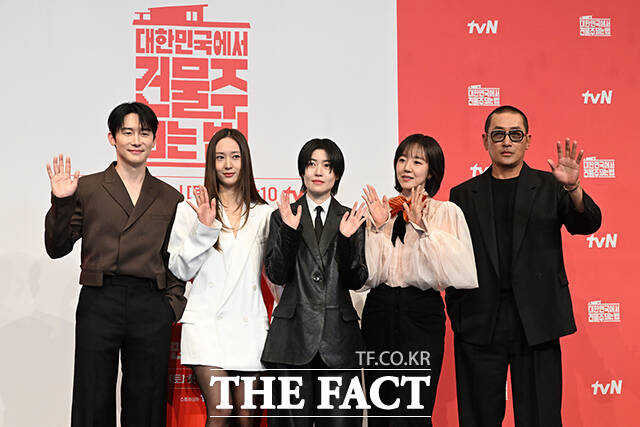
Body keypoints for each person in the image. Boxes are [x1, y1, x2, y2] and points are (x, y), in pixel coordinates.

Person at [447, 105, 602, 427]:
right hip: (479, 320)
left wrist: (573, 188)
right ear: (485, 140)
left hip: (537, 319)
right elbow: (452, 257)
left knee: (541, 416)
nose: (507, 142)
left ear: (528, 141)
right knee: (477, 417)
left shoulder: (552, 185)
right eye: (498, 134)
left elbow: (587, 223)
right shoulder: (463, 194)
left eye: (515, 135)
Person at [44, 102, 185, 427]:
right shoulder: (88, 188)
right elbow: (56, 247)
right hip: (99, 299)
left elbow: (175, 261)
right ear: (112, 138)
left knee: (146, 402)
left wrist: (171, 306)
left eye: (144, 133)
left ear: (154, 140)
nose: (136, 140)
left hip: (150, 303)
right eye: (127, 132)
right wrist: (62, 202)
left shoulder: (169, 197)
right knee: (92, 397)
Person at [360, 134, 478, 426]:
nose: (407, 167)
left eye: (417, 161)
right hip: (379, 311)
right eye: (402, 160)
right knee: (379, 409)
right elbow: (368, 275)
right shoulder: (382, 211)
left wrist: (422, 226)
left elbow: (457, 272)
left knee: (414, 410)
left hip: (421, 314)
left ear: (431, 171)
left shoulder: (445, 212)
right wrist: (376, 229)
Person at [167, 128, 273, 427]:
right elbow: (180, 270)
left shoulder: (265, 213)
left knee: (247, 418)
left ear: (245, 161)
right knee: (221, 411)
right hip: (206, 326)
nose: (228, 165)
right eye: (220, 157)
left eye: (235, 157)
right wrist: (204, 228)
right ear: (210, 163)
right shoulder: (190, 210)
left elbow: (276, 275)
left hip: (250, 326)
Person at [261, 138, 368, 427]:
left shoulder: (351, 218)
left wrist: (347, 241)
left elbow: (357, 279)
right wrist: (289, 232)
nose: (318, 171)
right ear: (302, 171)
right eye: (311, 164)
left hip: (339, 341)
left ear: (337, 174)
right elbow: (276, 275)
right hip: (291, 340)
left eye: (327, 165)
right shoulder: (282, 215)